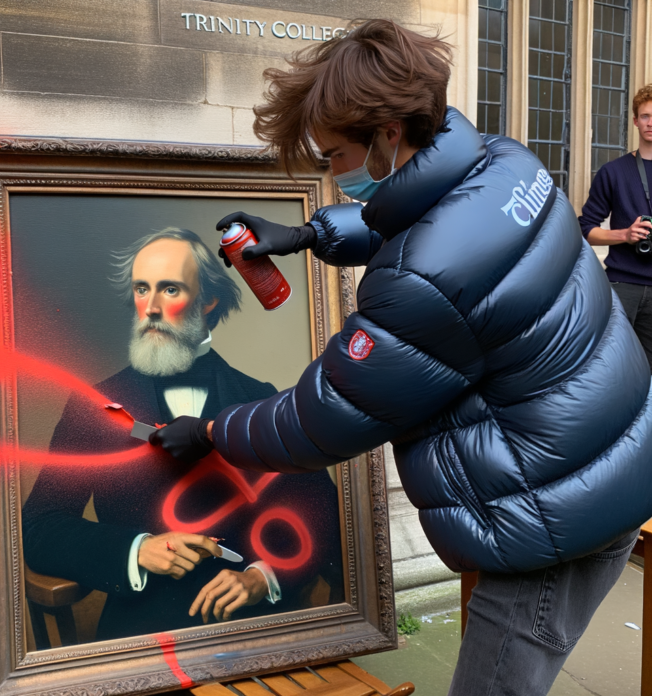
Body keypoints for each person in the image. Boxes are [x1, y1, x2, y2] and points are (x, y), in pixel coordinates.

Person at [148, 20, 652, 696]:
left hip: (554, 521)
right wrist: (310, 233)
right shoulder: (506, 163)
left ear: (388, 135)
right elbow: (421, 214)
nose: (331, 173)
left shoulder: (420, 284)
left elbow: (324, 419)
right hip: (608, 461)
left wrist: (212, 432)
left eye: (332, 157)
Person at [22, 228, 343, 643]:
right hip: (142, 632)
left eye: (169, 289)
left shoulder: (261, 400)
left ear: (208, 301)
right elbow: (40, 526)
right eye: (142, 289)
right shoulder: (95, 409)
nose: (150, 308)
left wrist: (264, 576)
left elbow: (321, 513)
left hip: (255, 631)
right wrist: (136, 550)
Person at [579, 83, 652, 370]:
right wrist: (625, 234)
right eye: (645, 116)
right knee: (606, 366)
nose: (651, 123)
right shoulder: (613, 171)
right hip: (622, 285)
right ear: (635, 120)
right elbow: (585, 229)